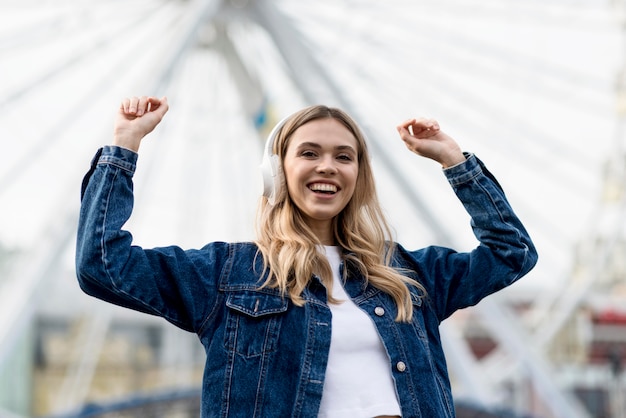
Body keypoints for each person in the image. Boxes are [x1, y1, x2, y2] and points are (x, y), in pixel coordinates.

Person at [76, 96, 538, 418]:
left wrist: (454, 160)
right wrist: (124, 145)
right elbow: (101, 264)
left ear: (358, 174)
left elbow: (511, 252)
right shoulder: (224, 275)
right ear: (278, 172)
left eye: (344, 156)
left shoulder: (411, 275)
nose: (327, 167)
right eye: (309, 153)